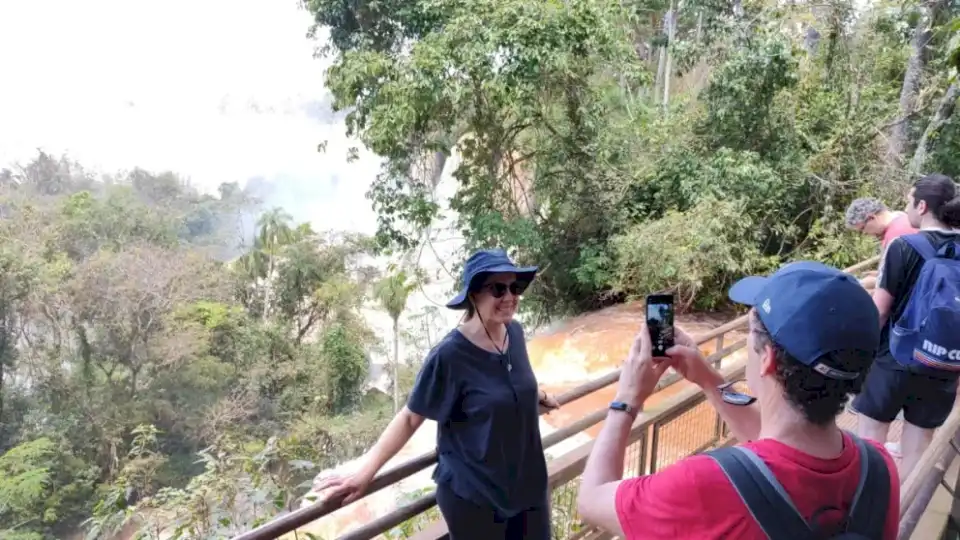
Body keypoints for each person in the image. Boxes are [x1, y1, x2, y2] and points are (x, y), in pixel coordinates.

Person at [576, 261, 900, 539]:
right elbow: (774, 448)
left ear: (767, 359)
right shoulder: (879, 470)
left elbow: (591, 500)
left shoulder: (703, 484)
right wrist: (708, 379)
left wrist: (626, 400)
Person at [314, 248, 560, 540]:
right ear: (473, 295)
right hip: (477, 497)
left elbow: (508, 381)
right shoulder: (450, 356)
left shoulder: (514, 333)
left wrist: (533, 394)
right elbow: (410, 418)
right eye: (498, 288)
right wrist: (364, 472)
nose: (510, 297)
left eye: (515, 287)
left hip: (527, 486)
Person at [853, 173, 960, 481]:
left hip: (894, 359)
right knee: (918, 444)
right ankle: (901, 512)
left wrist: (861, 356)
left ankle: (869, 510)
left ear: (922, 206)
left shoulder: (903, 246)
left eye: (909, 201)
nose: (906, 208)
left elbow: (880, 311)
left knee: (871, 438)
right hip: (943, 362)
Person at [845, 197, 918, 289]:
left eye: (862, 229)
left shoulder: (896, 235)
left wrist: (877, 282)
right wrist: (881, 274)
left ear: (872, 218)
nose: (865, 234)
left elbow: (905, 280)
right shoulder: (901, 218)